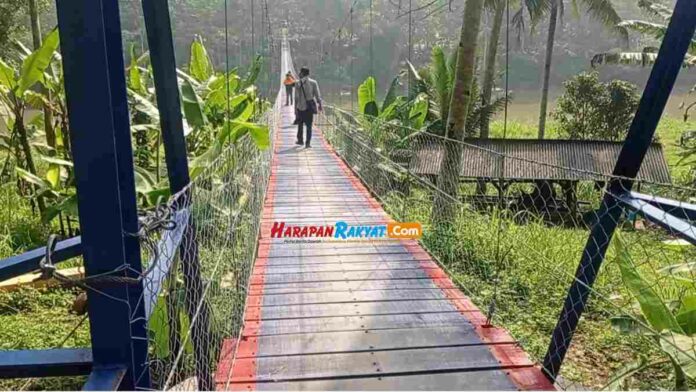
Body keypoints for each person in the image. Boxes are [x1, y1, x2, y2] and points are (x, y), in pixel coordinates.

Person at [294, 67, 322, 148]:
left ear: (302, 74)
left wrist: (295, 109)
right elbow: (317, 95)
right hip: (309, 107)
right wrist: (319, 104)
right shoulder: (314, 82)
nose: (299, 74)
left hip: (300, 107)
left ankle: (300, 140)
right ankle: (308, 143)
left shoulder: (297, 83)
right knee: (309, 126)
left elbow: (296, 97)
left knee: (300, 124)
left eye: (300, 72)